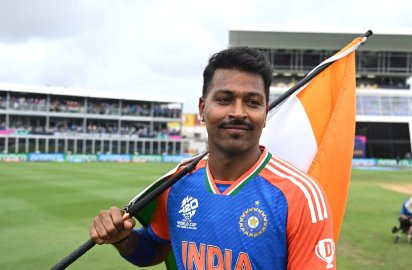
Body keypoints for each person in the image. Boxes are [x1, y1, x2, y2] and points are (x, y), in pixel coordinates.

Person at [89, 47, 335, 269]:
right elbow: (154, 248)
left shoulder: (301, 196)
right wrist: (123, 239)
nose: (238, 113)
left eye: (252, 102)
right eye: (224, 100)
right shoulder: (176, 183)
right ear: (202, 108)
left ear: (265, 112)